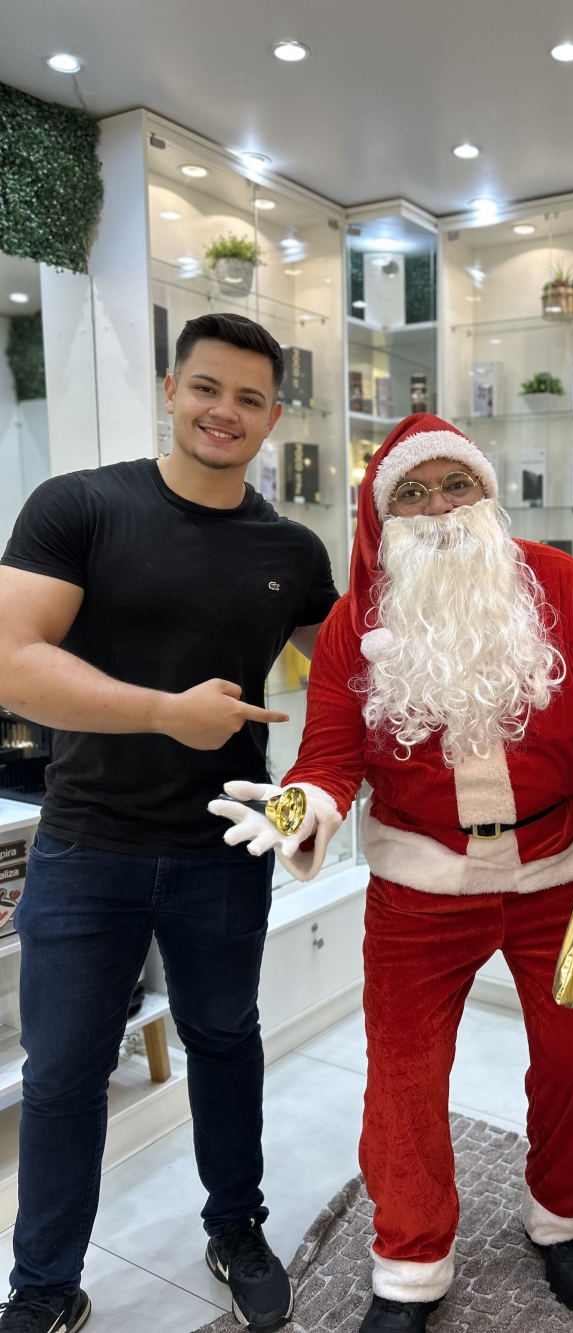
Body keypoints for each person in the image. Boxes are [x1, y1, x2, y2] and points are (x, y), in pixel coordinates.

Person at [213, 412, 573, 1333]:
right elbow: (330, 756)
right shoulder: (354, 623)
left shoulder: (566, 586)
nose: (438, 507)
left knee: (572, 1063)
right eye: (413, 494)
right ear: (386, 517)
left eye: (455, 484)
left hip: (561, 870)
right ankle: (410, 1263)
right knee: (404, 1080)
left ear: (487, 493)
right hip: (420, 888)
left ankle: (563, 1218)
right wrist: (300, 806)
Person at [0, 313, 339, 1333]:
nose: (223, 411)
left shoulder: (292, 549)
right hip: (85, 842)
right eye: (206, 387)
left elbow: (353, 680)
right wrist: (162, 711)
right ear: (170, 389)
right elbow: (14, 662)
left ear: (272, 418)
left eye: (248, 398)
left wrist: (317, 793)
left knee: (225, 1039)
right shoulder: (80, 506)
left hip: (221, 850)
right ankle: (44, 1285)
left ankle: (236, 1228)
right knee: (64, 1072)